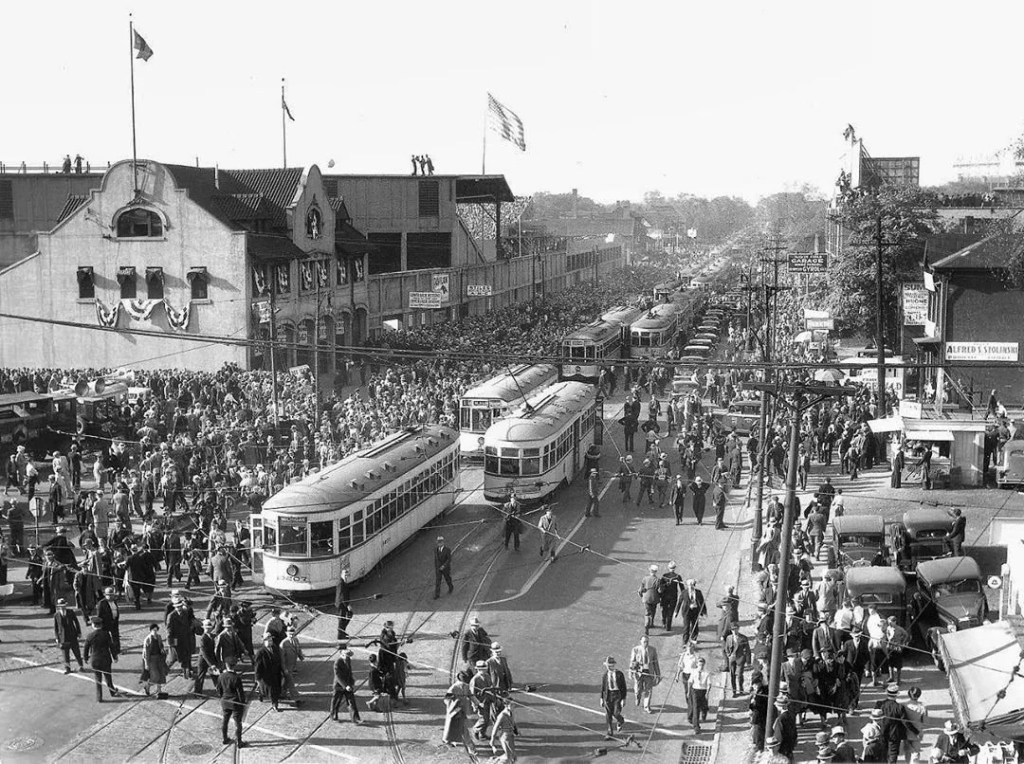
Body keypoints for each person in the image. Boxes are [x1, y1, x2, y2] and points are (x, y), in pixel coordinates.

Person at [83, 615, 119, 702]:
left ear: (93, 625)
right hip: (105, 658)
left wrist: (85, 658)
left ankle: (99, 697)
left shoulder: (90, 636)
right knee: (108, 677)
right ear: (101, 625)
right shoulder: (106, 634)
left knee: (97, 679)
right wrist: (115, 656)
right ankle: (112, 691)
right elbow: (111, 646)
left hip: (95, 660)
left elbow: (86, 648)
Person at [443, 669, 476, 754]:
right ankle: (470, 746)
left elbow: (471, 695)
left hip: (462, 711)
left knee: (463, 728)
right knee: (452, 727)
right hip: (454, 712)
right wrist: (454, 704)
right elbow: (446, 699)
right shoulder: (454, 687)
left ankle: (469, 745)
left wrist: (478, 704)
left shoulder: (466, 686)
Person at [217, 659, 248, 748]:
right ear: (234, 666)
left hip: (225, 702)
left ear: (226, 666)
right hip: (235, 703)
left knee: (225, 720)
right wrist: (243, 703)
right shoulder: (236, 678)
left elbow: (218, 690)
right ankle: (239, 741)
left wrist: (223, 697)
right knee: (238, 723)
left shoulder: (221, 676)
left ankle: (225, 738)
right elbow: (240, 693)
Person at [877, 682, 910, 763]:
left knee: (882, 753)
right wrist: (915, 731)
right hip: (895, 734)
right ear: (896, 695)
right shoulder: (899, 707)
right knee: (893, 754)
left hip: (881, 732)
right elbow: (906, 722)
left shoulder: (879, 704)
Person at [629, 634, 660, 714]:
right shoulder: (635, 649)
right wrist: (631, 672)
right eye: (644, 642)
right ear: (641, 642)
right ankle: (637, 697)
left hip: (649, 672)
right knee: (638, 689)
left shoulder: (653, 650)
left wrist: (658, 674)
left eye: (647, 642)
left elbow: (655, 663)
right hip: (639, 672)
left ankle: (647, 706)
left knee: (649, 690)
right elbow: (632, 662)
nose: (646, 643)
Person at [330, 648, 362, 723]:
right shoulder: (337, 662)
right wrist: (345, 686)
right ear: (342, 655)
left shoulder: (348, 660)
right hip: (339, 686)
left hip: (348, 684)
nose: (349, 658)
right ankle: (334, 714)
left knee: (351, 701)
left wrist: (352, 680)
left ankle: (355, 718)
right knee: (336, 701)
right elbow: (338, 676)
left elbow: (349, 671)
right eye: (347, 656)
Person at [54, 598, 84, 673]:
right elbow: (56, 627)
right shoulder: (56, 615)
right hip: (63, 637)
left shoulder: (70, 612)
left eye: (63, 605)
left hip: (72, 635)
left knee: (77, 652)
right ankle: (67, 669)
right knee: (65, 654)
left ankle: (81, 666)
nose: (62, 607)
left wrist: (79, 632)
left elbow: (76, 622)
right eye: (61, 606)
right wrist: (57, 637)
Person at [254, 633, 283, 711]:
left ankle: (274, 702)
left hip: (276, 674)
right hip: (266, 676)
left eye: (271, 640)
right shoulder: (260, 652)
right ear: (264, 642)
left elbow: (279, 660)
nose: (270, 642)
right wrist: (257, 679)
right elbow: (257, 667)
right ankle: (273, 703)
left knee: (276, 690)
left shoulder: (275, 648)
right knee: (270, 690)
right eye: (268, 641)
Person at [600, 656, 627, 738]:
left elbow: (623, 687)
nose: (608, 667)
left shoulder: (619, 674)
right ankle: (609, 732)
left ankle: (620, 720)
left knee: (616, 713)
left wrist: (623, 699)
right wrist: (601, 698)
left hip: (617, 695)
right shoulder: (605, 675)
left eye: (610, 665)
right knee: (608, 715)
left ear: (613, 665)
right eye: (607, 666)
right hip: (608, 696)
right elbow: (603, 688)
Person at [141, 622, 170, 698]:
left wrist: (163, 650)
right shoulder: (147, 639)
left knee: (161, 675)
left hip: (159, 658)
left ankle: (159, 691)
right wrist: (146, 663)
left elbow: (161, 646)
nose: (155, 631)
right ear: (150, 630)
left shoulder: (159, 637)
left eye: (156, 630)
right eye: (153, 630)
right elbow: (146, 653)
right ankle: (148, 686)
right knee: (155, 676)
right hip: (151, 659)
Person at [724, 622, 751, 696]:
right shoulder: (728, 638)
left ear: (738, 629)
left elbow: (748, 650)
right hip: (732, 658)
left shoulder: (743, 638)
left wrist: (748, 661)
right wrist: (729, 655)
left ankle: (741, 690)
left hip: (740, 658)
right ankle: (734, 691)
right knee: (732, 675)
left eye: (735, 629)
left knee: (739, 675)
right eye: (732, 630)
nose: (734, 631)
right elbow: (726, 648)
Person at [469, 659, 494, 740]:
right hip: (480, 703)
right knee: (483, 719)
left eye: (485, 669)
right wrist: (475, 705)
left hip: (488, 701)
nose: (485, 670)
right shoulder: (475, 680)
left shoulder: (487, 676)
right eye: (483, 669)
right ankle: (475, 729)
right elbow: (472, 694)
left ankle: (482, 734)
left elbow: (490, 687)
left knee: (487, 720)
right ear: (478, 670)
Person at [902, 686, 927, 764]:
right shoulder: (922, 707)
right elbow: (925, 722)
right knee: (916, 752)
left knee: (907, 751)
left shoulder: (904, 705)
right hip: (918, 732)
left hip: (906, 732)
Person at [280, 626, 305, 704]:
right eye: (290, 634)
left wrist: (301, 656)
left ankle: (282, 693)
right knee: (291, 683)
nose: (291, 636)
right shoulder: (283, 644)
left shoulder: (296, 640)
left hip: (292, 665)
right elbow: (282, 658)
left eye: (293, 634)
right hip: (286, 667)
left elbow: (298, 648)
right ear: (286, 633)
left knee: (286, 682)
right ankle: (297, 698)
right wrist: (284, 669)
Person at [688, 656, 712, 733]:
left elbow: (709, 684)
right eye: (699, 664)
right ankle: (696, 727)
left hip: (703, 691)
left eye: (702, 664)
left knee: (704, 706)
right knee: (696, 708)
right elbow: (690, 682)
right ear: (697, 664)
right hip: (695, 691)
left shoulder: (707, 673)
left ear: (704, 664)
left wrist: (707, 693)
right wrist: (689, 692)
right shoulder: (694, 672)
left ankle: (704, 713)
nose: (701, 666)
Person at [678, 578, 706, 642]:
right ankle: (685, 641)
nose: (690, 587)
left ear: (694, 585)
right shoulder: (684, 592)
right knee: (686, 627)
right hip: (686, 612)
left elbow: (702, 602)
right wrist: (676, 612)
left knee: (695, 626)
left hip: (695, 611)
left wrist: (704, 612)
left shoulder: (698, 592)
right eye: (689, 585)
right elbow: (679, 602)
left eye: (692, 585)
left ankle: (693, 639)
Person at [489, 698, 518, 762]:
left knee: (512, 756)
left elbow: (513, 723)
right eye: (512, 705)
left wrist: (516, 731)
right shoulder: (502, 715)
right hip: (505, 737)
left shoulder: (511, 712)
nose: (514, 706)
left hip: (510, 736)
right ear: (506, 705)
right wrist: (492, 739)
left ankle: (495, 760)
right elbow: (495, 728)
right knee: (509, 756)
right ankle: (494, 761)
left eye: (514, 704)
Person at [772, 695, 798, 761]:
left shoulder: (780, 719)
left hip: (783, 748)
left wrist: (775, 748)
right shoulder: (791, 715)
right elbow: (794, 731)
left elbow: (778, 736)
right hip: (790, 746)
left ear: (780, 706)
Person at [659, 561, 682, 631]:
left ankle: (663, 622)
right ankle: (668, 626)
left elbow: (660, 586)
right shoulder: (678, 577)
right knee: (671, 611)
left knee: (664, 610)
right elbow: (682, 588)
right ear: (675, 568)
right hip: (673, 596)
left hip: (664, 596)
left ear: (668, 567)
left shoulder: (664, 576)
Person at [638, 564, 660, 635]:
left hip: (646, 598)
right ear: (656, 571)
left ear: (649, 570)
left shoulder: (645, 578)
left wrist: (641, 595)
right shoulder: (657, 580)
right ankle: (651, 623)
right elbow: (660, 590)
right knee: (653, 611)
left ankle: (646, 626)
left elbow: (640, 589)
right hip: (654, 598)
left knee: (647, 612)